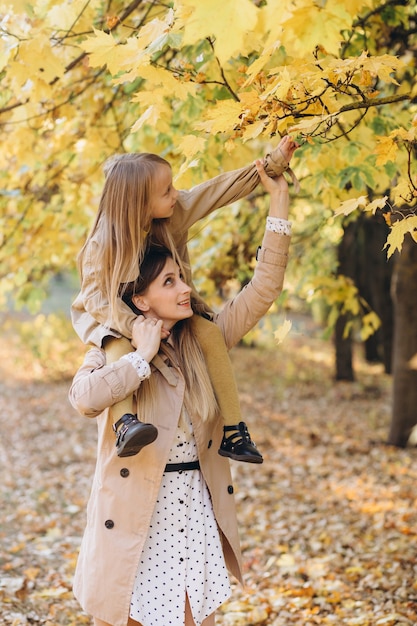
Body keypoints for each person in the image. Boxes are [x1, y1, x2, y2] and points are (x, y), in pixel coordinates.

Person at [68, 159, 294, 626]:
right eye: (170, 281)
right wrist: (138, 357)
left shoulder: (202, 342)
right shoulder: (115, 349)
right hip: (137, 517)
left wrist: (278, 201)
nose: (187, 287)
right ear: (140, 299)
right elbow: (84, 399)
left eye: (181, 275)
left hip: (195, 511)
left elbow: (264, 289)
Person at [71, 137, 298, 461]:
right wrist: (140, 340)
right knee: (115, 343)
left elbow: (215, 191)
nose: (175, 194)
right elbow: (84, 394)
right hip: (111, 316)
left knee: (208, 331)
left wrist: (273, 165)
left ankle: (235, 431)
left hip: (198, 504)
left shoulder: (171, 216)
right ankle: (125, 423)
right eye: (166, 192)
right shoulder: (103, 245)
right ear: (139, 204)